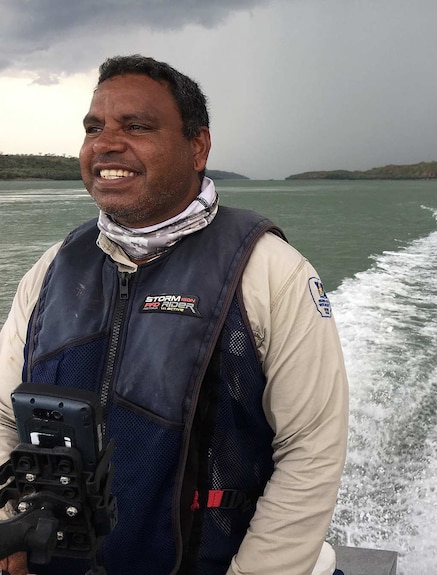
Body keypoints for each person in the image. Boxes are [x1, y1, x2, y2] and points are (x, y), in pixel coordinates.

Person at [0, 55, 349, 575]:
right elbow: (5, 416)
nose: (106, 144)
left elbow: (310, 452)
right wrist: (12, 525)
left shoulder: (270, 271)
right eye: (94, 127)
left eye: (136, 126)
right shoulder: (53, 269)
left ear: (198, 147)